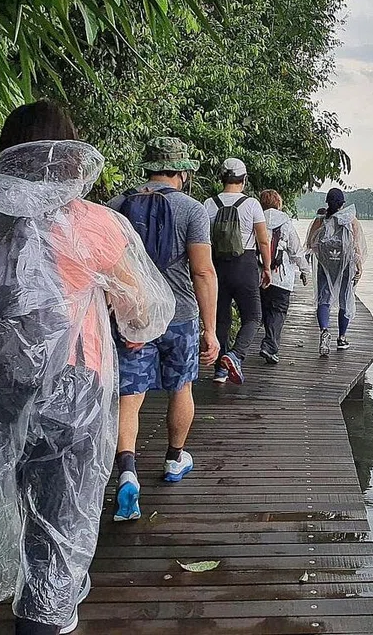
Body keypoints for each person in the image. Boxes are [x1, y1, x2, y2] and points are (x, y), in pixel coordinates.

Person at [0, 100, 175, 635]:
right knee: (59, 532)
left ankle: (38, 608)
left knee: (18, 512)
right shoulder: (91, 225)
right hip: (72, 398)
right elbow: (145, 314)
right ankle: (45, 621)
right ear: (67, 158)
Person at [107, 137, 220, 522]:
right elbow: (203, 271)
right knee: (181, 387)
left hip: (133, 317)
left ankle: (126, 471)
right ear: (182, 172)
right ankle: (174, 459)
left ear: (149, 168)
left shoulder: (117, 208)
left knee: (130, 396)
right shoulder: (191, 210)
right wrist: (211, 329)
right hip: (180, 316)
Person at [203, 158, 272, 384]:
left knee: (221, 319)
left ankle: (220, 371)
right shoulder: (251, 204)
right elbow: (263, 240)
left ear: (222, 178)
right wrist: (268, 267)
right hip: (245, 265)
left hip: (216, 266)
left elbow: (202, 240)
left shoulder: (208, 204)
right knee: (253, 316)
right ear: (244, 179)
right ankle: (235, 354)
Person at [306, 188, 366, 357]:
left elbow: (311, 242)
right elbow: (357, 247)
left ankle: (324, 331)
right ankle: (341, 338)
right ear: (343, 203)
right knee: (345, 298)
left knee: (323, 299)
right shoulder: (350, 219)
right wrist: (359, 265)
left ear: (327, 202)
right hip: (345, 264)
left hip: (326, 264)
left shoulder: (321, 220)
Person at [258, 190, 311, 365]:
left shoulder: (257, 219)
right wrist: (305, 270)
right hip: (281, 278)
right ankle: (270, 345)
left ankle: (268, 342)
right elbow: (296, 252)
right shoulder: (286, 223)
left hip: (259, 275)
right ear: (278, 204)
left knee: (265, 309)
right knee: (278, 311)